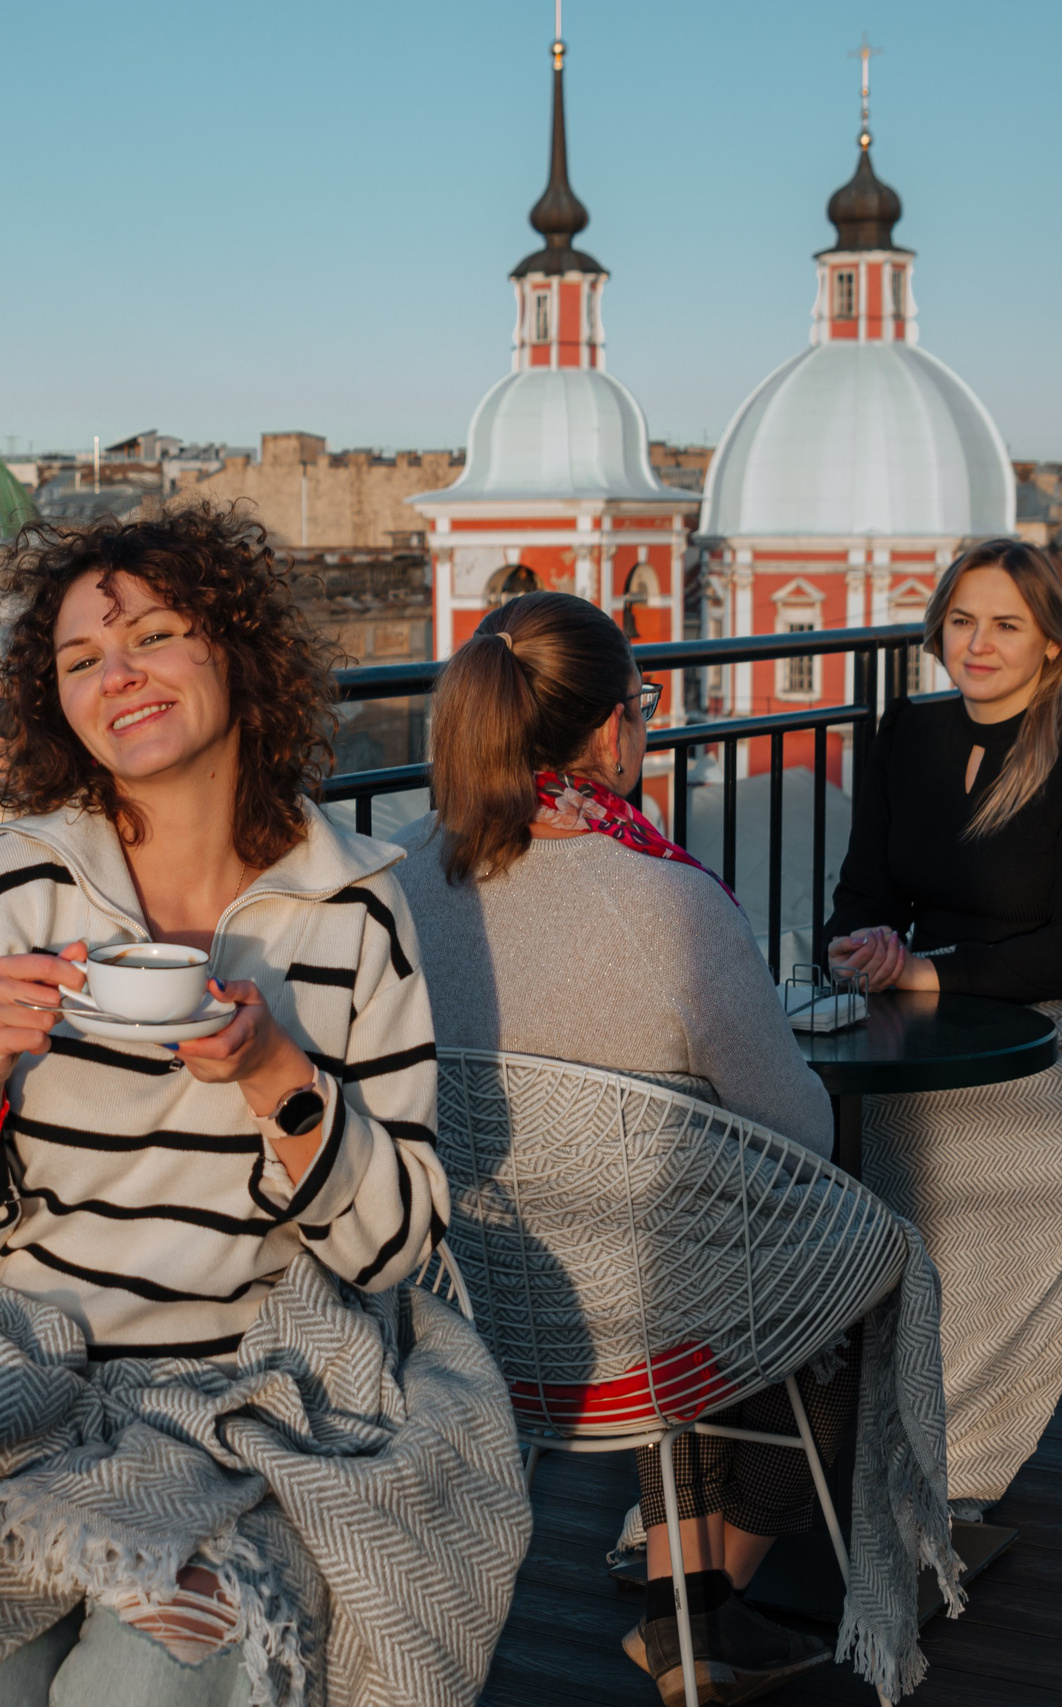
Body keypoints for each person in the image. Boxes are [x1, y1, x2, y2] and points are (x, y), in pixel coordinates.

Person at [0, 503, 528, 1707]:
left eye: (151, 635)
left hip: (231, 1411)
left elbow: (397, 1243)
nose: (119, 677)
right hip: (1, 1386)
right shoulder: (9, 890)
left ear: (236, 654)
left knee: (135, 1690)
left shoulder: (351, 911)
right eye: (82, 659)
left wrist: (276, 1082)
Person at [395, 592, 852, 1707]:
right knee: (860, 1262)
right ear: (609, 730)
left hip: (460, 1303)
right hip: (642, 1318)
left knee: (687, 1241)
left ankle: (690, 1599)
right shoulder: (668, 902)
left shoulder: (392, 881)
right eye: (643, 703)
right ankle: (692, 1611)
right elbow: (799, 1131)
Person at [823, 538, 1062, 1508]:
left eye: (1006, 625)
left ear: (1051, 648)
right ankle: (831, 1416)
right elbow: (864, 888)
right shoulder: (906, 733)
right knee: (830, 1139)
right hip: (932, 1003)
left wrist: (928, 972)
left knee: (972, 1162)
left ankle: (950, 1442)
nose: (978, 644)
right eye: (963, 619)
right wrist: (852, 950)